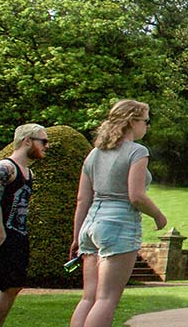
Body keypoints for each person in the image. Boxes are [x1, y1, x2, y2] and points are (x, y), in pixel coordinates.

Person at [70, 100, 170, 327]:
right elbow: (135, 195)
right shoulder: (137, 151)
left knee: (88, 297)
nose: (147, 126)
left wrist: (77, 237)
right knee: (107, 298)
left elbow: (82, 199)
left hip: (90, 224)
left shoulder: (94, 154)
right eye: (145, 121)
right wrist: (158, 215)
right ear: (132, 122)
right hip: (118, 224)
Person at [0, 124, 48, 327]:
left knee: (13, 286)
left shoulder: (29, 173)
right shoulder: (5, 168)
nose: (46, 146)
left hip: (17, 236)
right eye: (43, 141)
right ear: (27, 141)